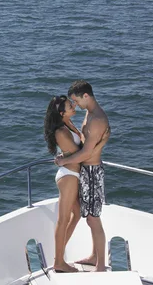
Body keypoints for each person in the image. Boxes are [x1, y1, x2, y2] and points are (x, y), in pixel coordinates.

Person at [55, 80, 110, 272]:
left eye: (75, 100)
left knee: (93, 219)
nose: (75, 104)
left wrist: (63, 161)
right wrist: (68, 155)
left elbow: (87, 153)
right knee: (90, 217)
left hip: (93, 172)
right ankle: (95, 256)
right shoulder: (90, 113)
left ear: (85, 96)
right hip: (86, 172)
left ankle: (101, 266)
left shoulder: (97, 120)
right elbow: (84, 146)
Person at [44, 95, 83, 273]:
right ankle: (59, 262)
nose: (73, 105)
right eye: (69, 105)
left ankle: (58, 256)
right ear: (61, 112)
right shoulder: (61, 131)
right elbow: (79, 155)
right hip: (69, 176)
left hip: (72, 174)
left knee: (77, 214)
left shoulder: (68, 124)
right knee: (63, 219)